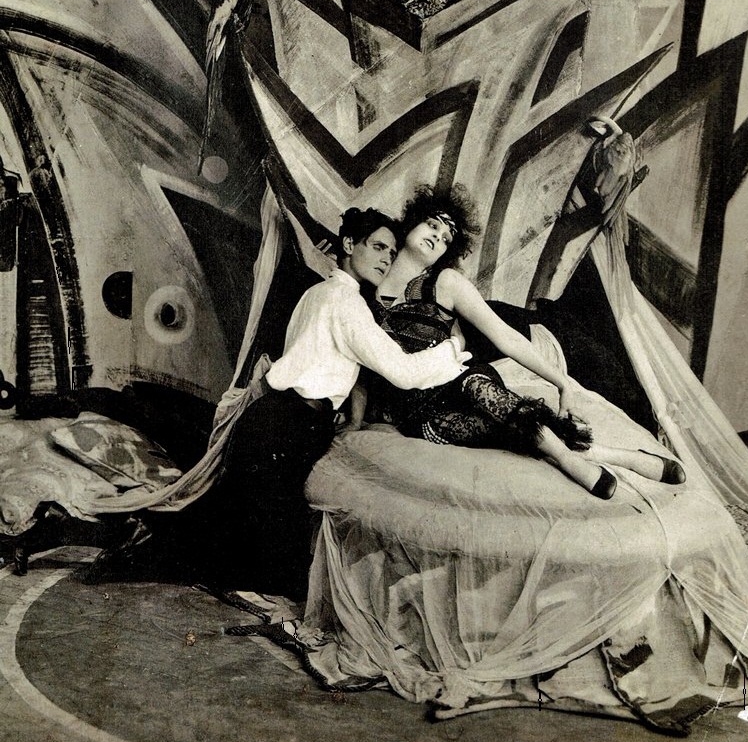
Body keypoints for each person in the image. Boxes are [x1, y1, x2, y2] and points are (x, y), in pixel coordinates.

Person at [197, 206, 470, 594]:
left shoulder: (317, 293)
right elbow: (404, 372)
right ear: (349, 245)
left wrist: (352, 417)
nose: (386, 259)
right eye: (377, 247)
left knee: (236, 544)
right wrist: (453, 349)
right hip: (291, 425)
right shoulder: (347, 303)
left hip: (273, 418)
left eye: (391, 253)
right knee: (268, 565)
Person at [361, 184, 684, 500]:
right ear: (410, 224)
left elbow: (506, 337)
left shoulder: (444, 283)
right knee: (510, 435)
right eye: (432, 225)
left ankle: (571, 461)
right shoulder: (364, 292)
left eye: (447, 237)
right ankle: (616, 455)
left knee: (478, 389)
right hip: (415, 411)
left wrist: (562, 383)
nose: (437, 236)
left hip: (462, 386)